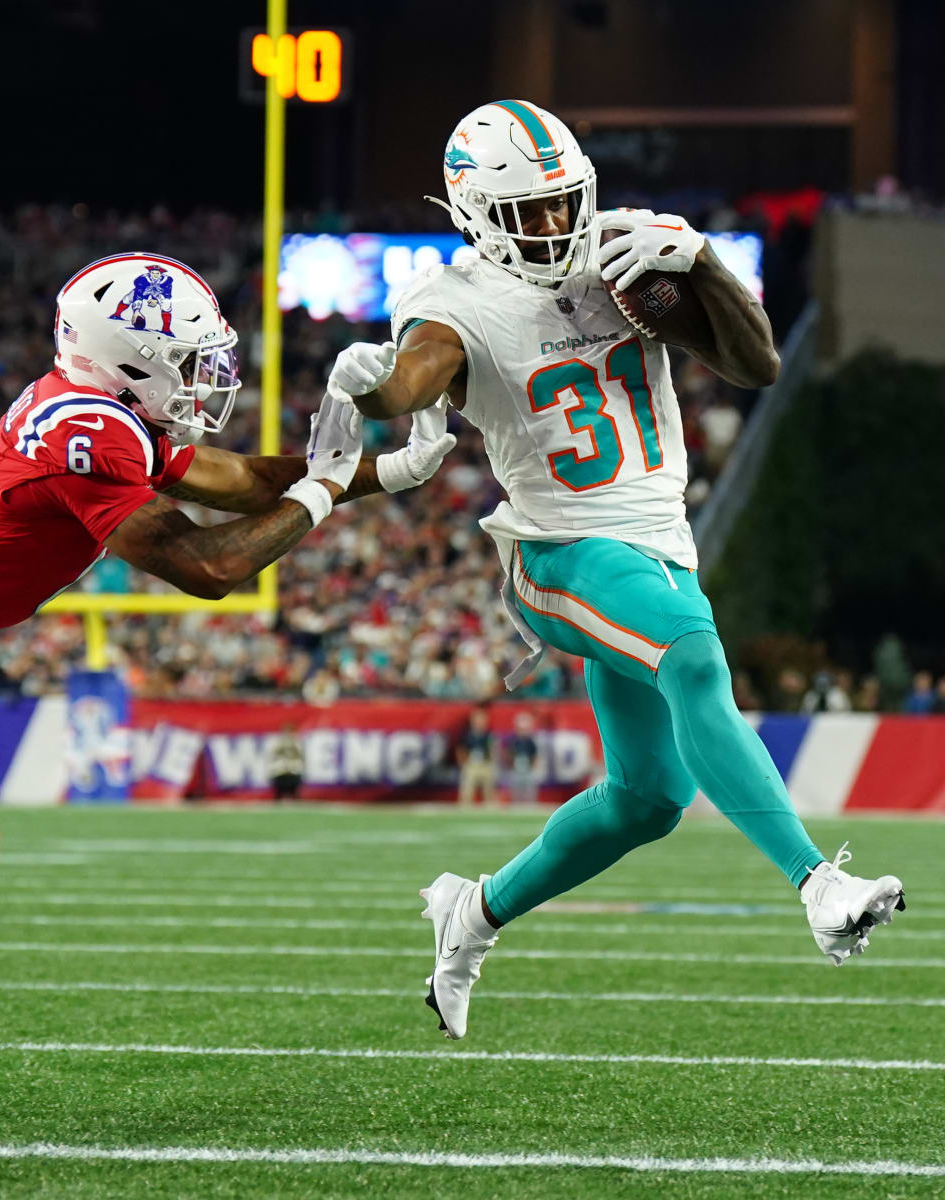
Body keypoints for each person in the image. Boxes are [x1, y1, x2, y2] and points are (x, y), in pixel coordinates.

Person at [0, 251, 457, 1130]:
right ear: (129, 358)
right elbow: (210, 565)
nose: (207, 380)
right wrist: (318, 490)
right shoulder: (90, 434)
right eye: (190, 361)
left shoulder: (104, 413)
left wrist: (379, 474)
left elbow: (230, 479)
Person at [328, 100, 906, 1040]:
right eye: (533, 212)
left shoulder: (623, 249)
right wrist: (374, 381)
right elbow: (412, 379)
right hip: (553, 549)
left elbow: (757, 365)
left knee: (647, 801)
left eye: (565, 204)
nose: (557, 228)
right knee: (692, 660)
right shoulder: (452, 299)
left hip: (653, 543)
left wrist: (701, 262)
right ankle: (819, 883)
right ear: (475, 210)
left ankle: (472, 913)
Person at [456, 707, 497, 806]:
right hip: (471, 764)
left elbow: (492, 750)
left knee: (489, 787)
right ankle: (465, 806)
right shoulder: (467, 734)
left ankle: (490, 807)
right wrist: (463, 763)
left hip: (485, 763)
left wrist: (491, 762)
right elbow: (461, 749)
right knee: (467, 786)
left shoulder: (488, 734)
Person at [506, 712, 540, 806]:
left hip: (528, 769)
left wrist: (533, 765)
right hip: (516, 769)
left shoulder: (531, 742)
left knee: (529, 792)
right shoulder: (513, 741)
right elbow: (509, 754)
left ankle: (530, 808)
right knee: (516, 793)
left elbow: (535, 755)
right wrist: (511, 764)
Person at [267, 722, 304, 801]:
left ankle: (294, 797)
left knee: (295, 769)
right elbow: (273, 755)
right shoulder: (278, 742)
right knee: (278, 769)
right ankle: (278, 798)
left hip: (292, 768)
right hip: (281, 768)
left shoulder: (296, 742)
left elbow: (300, 756)